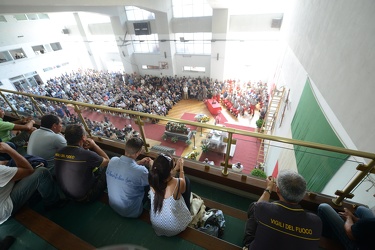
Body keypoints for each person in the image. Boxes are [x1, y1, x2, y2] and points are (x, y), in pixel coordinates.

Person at [243, 170, 322, 250]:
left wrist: (269, 187)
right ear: (302, 194)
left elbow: (256, 208)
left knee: (254, 211)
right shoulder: (316, 222)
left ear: (277, 190)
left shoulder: (263, 209)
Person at [0, 142, 65, 225]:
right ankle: (53, 202)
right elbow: (28, 170)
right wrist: (10, 150)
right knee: (42, 172)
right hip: (4, 210)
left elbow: (4, 163)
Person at [54, 124, 109, 202]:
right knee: (109, 166)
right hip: (85, 197)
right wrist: (94, 145)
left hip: (66, 194)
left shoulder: (58, 152)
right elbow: (107, 161)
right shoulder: (87, 155)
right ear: (83, 138)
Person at [106, 137, 153, 218]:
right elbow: (154, 181)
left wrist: (139, 162)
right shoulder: (141, 171)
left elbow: (127, 168)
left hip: (113, 205)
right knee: (149, 184)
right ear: (138, 153)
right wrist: (152, 166)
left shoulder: (113, 160)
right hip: (131, 212)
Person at [148, 154, 192, 236]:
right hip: (174, 228)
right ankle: (188, 207)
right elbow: (183, 187)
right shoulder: (178, 183)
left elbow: (165, 177)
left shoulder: (152, 178)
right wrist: (181, 167)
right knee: (187, 181)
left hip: (156, 224)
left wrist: (174, 168)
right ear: (170, 171)